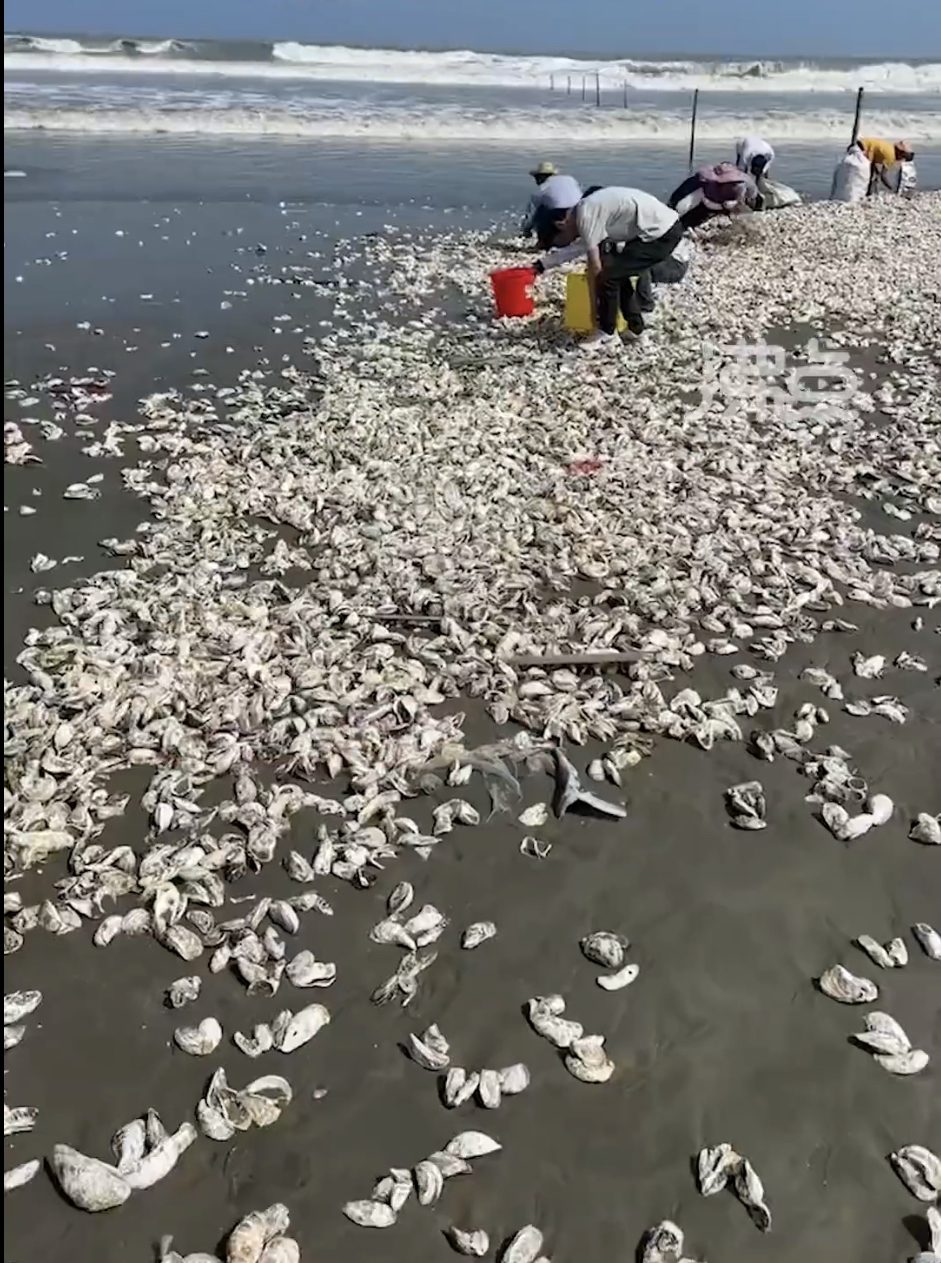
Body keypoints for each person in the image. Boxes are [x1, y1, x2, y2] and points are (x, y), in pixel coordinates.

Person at [534, 186, 684, 349]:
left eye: (560, 241)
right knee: (618, 275)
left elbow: (596, 265)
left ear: (561, 224)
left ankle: (606, 333)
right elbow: (579, 247)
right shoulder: (584, 212)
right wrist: (541, 265)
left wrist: (596, 307)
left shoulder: (585, 214)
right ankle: (636, 330)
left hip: (661, 233)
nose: (566, 243)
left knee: (609, 277)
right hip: (652, 230)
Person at [667, 163, 758, 228]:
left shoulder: (741, 185)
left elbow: (748, 199)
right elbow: (686, 203)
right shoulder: (703, 184)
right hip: (704, 202)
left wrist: (732, 204)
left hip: (723, 205)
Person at [522, 162, 583, 248]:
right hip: (580, 212)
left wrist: (526, 230)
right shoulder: (570, 179)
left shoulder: (541, 190)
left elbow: (531, 215)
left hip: (560, 214)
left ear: (539, 177)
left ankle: (545, 243)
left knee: (540, 211)